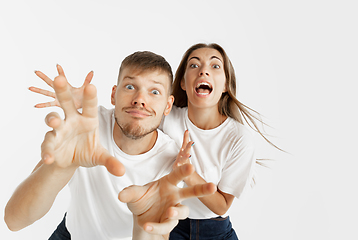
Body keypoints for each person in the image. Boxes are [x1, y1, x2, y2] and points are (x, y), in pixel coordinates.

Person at [26, 43, 281, 239]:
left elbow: (223, 206)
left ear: (225, 84)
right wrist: (82, 103)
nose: (203, 69)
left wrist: (189, 175)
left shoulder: (239, 138)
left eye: (215, 66)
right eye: (194, 65)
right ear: (182, 83)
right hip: (170, 221)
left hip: (212, 228)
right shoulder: (169, 118)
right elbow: (136, 114)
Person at [4, 51, 216, 240]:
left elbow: (156, 231)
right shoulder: (86, 128)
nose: (140, 99)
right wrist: (61, 166)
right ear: (114, 94)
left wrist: (144, 230)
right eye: (130, 86)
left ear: (168, 105)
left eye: (154, 92)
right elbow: (14, 221)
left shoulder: (171, 160)